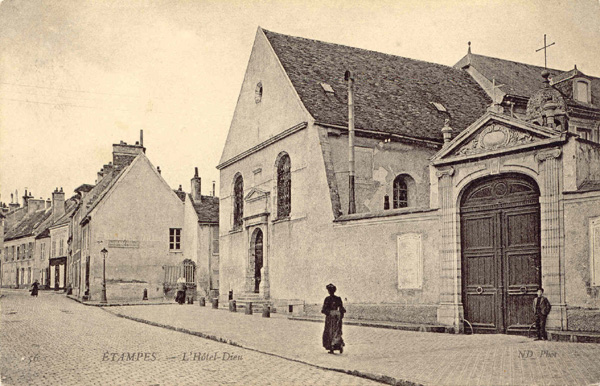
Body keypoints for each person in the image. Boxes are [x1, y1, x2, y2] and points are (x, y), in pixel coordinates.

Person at [321, 283, 346, 354]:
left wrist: (329, 313)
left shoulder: (328, 299)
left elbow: (324, 309)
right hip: (336, 318)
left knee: (330, 332)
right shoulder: (338, 299)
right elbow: (341, 309)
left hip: (331, 319)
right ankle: (338, 345)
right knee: (336, 332)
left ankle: (332, 347)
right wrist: (340, 315)